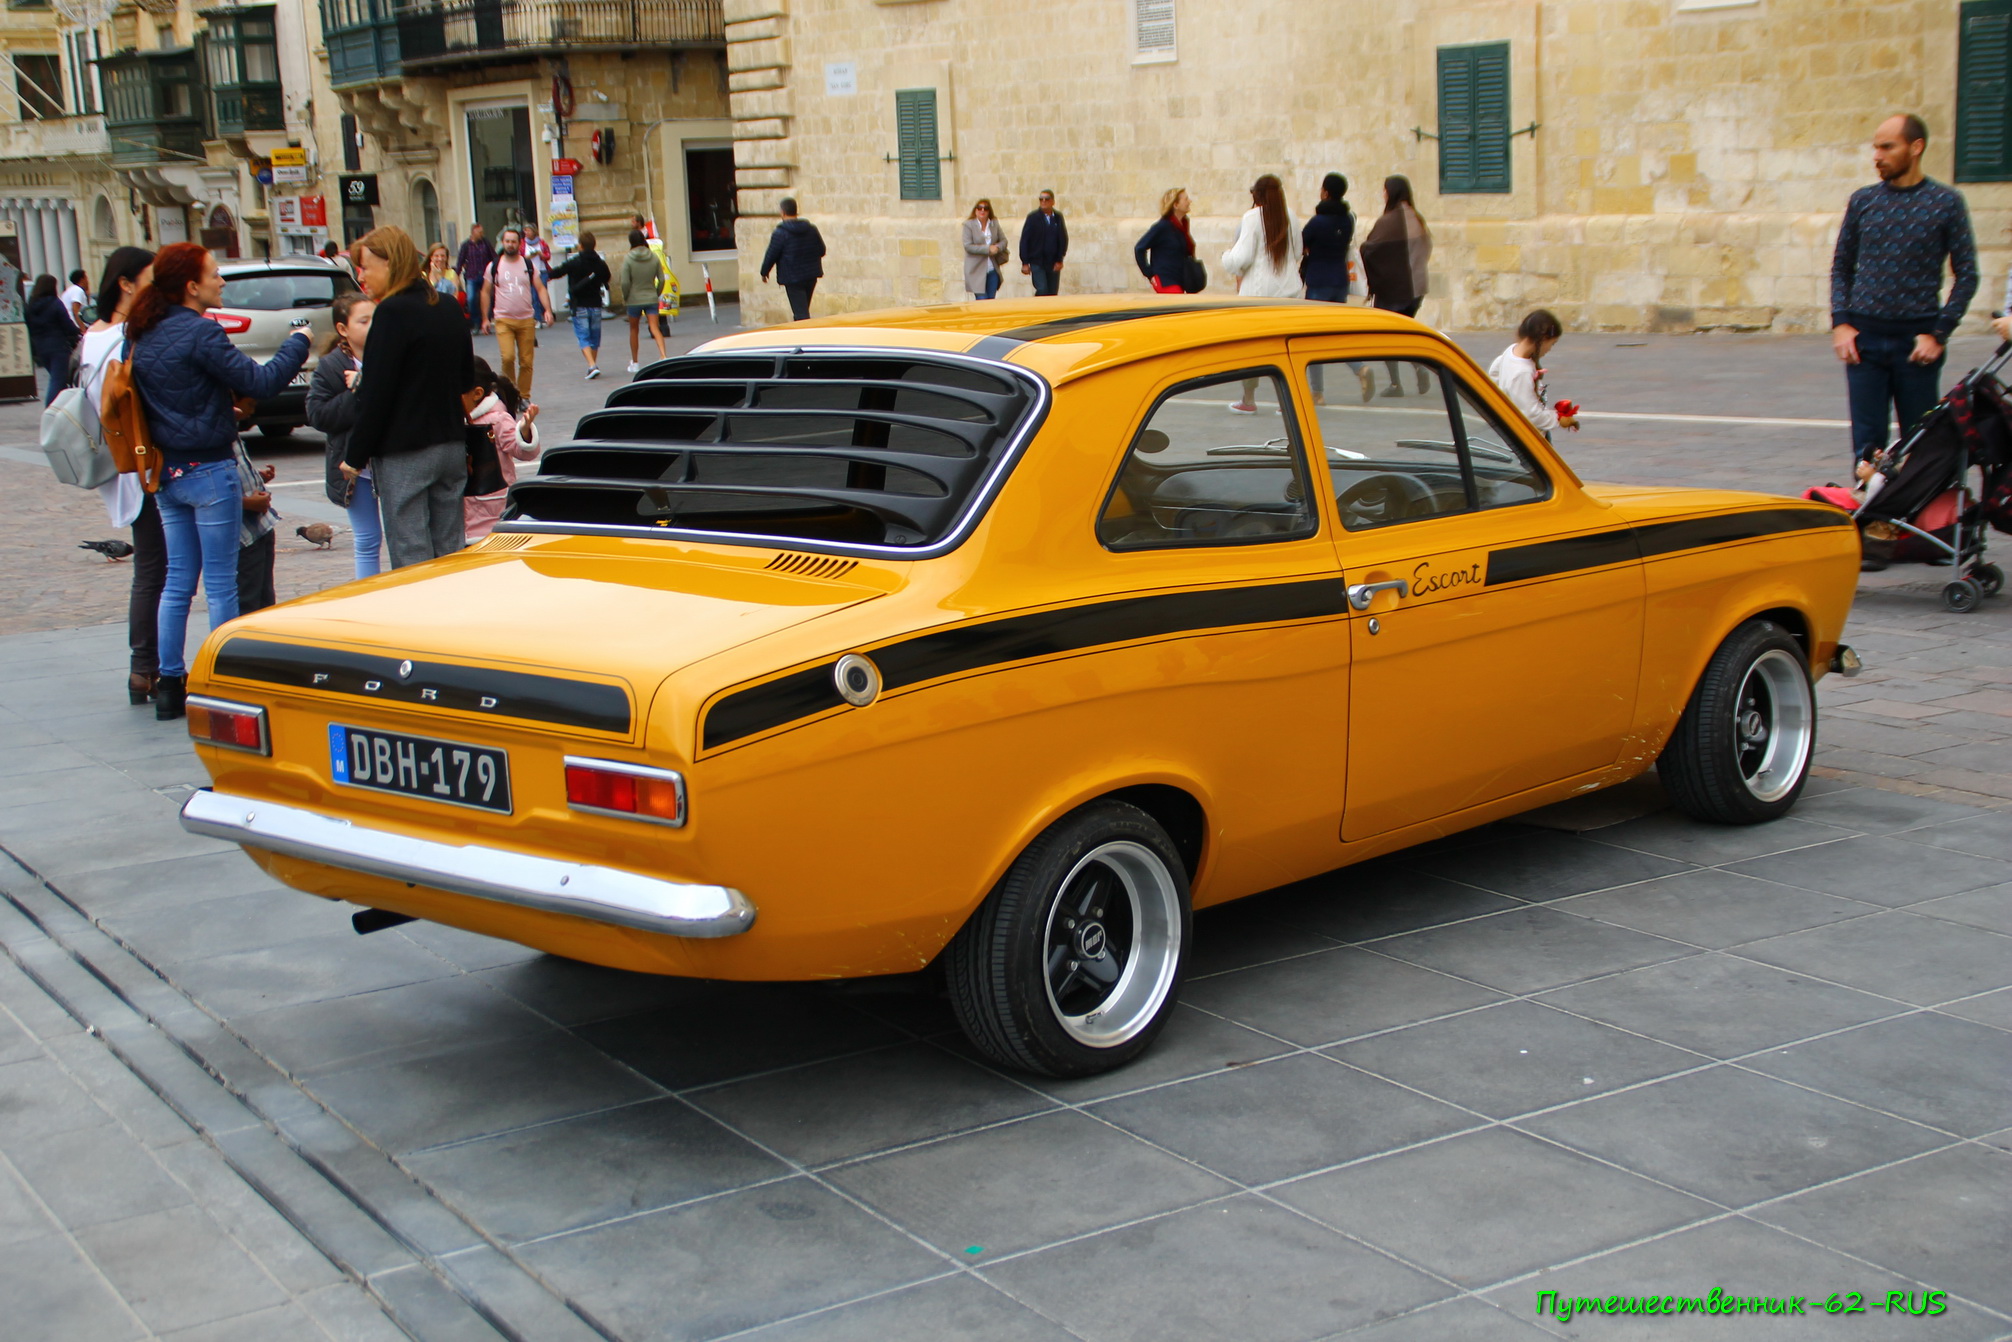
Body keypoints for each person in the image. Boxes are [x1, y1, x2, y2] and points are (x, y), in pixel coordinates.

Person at [127, 242, 310, 720]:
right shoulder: (200, 333)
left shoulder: (145, 332)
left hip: (168, 473)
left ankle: (171, 683)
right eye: (214, 274)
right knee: (223, 584)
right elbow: (263, 382)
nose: (222, 282)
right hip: (210, 470)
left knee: (177, 584)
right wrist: (299, 341)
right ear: (191, 286)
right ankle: (225, 683)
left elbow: (173, 397)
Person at [1831, 114, 1978, 465]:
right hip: (1864, 342)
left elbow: (1968, 274)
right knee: (1866, 449)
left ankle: (1916, 519)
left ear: (1916, 148)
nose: (1877, 156)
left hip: (1917, 345)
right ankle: (1870, 518)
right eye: (1875, 147)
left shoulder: (1946, 202)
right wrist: (1841, 323)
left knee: (1921, 445)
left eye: (1887, 147)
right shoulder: (1863, 201)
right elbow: (1841, 267)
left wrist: (1939, 334)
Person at [340, 225, 477, 568]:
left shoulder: (390, 313)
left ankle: (420, 621)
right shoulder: (447, 306)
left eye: (367, 266)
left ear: (391, 264)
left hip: (406, 451)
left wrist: (354, 456)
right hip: (449, 445)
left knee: (411, 556)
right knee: (450, 552)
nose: (362, 275)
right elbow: (466, 379)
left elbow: (375, 394)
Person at [80, 246, 162, 706]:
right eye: (150, 278)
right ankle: (146, 665)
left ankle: (144, 666)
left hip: (123, 462)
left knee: (153, 568)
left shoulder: (92, 337)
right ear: (127, 283)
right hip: (144, 461)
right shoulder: (129, 335)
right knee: (156, 570)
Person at [308, 291, 385, 579]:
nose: (373, 326)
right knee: (367, 539)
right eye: (364, 321)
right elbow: (318, 415)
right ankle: (368, 599)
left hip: (393, 461)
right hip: (355, 468)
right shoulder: (331, 365)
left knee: (405, 536)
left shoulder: (391, 355)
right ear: (343, 329)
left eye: (376, 319)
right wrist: (358, 393)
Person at [1220, 174, 1301, 413]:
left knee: (1251, 351)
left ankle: (1248, 399)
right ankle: (1288, 402)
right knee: (1286, 350)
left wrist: (1226, 257)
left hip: (1258, 296)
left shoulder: (1252, 218)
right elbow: (1297, 253)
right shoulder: (1291, 217)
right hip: (1289, 292)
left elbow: (1241, 258)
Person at [1360, 175, 1434, 397]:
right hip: (1416, 288)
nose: (1383, 194)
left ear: (1390, 192)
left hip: (1393, 290)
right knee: (1405, 332)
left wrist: (1379, 276)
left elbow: (1368, 250)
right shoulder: (1417, 218)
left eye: (1384, 190)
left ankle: (1395, 384)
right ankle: (1419, 366)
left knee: (1386, 336)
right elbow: (1426, 247)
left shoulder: (1388, 221)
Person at [463, 356, 542, 542]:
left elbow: (523, 451)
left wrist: (524, 431)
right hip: (464, 516)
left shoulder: (497, 418)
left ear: (477, 393)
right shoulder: (457, 420)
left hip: (492, 512)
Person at [480, 226, 554, 395]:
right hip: (503, 319)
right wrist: (485, 318)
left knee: (526, 362)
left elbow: (540, 289)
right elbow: (485, 291)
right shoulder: (494, 265)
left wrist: (547, 310)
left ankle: (524, 395)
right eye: (507, 241)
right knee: (507, 358)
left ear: (519, 243)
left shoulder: (527, 265)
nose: (510, 245)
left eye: (513, 241)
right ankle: (511, 391)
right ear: (503, 243)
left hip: (526, 319)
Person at [1301, 174, 1355, 402]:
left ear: (1325, 192)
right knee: (1338, 333)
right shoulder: (1348, 220)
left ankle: (1318, 391)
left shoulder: (1317, 222)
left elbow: (1302, 243)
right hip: (1340, 281)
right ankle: (1359, 368)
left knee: (1312, 338)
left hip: (1318, 282)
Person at [1487, 310, 1577, 441]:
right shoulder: (1522, 372)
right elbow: (1531, 414)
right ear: (1543, 339)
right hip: (1529, 439)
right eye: (1552, 344)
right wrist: (1557, 418)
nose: (1549, 349)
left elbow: (1494, 374)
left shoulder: (1511, 351)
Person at [547, 231, 612, 379]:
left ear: (580, 245)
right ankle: (592, 365)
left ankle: (591, 365)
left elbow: (558, 271)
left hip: (579, 304)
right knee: (594, 336)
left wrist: (545, 276)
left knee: (583, 336)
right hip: (595, 303)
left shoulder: (575, 261)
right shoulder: (600, 263)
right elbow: (607, 278)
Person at [760, 198, 826, 321]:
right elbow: (822, 250)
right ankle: (802, 335)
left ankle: (804, 337)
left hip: (792, 277)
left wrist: (764, 272)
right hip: (811, 275)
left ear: (782, 212)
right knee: (802, 309)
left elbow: (771, 254)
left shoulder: (780, 233)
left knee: (801, 313)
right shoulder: (811, 229)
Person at [232, 440, 278, 615]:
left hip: (259, 525)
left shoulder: (226, 426)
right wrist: (245, 502)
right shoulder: (209, 427)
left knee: (265, 598)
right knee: (247, 602)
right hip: (241, 534)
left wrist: (256, 477)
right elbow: (204, 488)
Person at [611, 229, 667, 372]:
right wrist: (656, 293)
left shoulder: (628, 258)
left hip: (634, 299)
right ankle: (663, 355)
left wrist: (626, 295)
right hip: (651, 297)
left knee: (634, 330)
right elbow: (661, 279)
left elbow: (624, 282)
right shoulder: (654, 257)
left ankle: (635, 362)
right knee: (655, 327)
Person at [26, 274, 77, 405]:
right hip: (58, 345)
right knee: (58, 380)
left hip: (40, 347)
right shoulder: (54, 303)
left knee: (57, 378)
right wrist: (77, 332)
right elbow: (67, 324)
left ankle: (63, 407)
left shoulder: (31, 305)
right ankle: (50, 410)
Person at [1134, 188, 1195, 295]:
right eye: (1186, 199)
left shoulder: (1183, 225)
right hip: (1166, 281)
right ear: (1175, 205)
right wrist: (1150, 274)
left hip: (1180, 280)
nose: (1189, 201)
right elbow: (1139, 248)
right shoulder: (1162, 226)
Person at [1018, 190, 1068, 296]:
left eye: (1047, 199)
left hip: (1053, 262)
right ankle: (1037, 311)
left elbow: (1063, 238)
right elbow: (1025, 240)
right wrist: (1025, 262)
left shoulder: (1058, 217)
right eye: (1041, 199)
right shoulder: (1033, 218)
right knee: (1042, 289)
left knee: (1052, 292)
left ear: (1053, 201)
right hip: (1037, 262)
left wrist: (1060, 260)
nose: (1043, 201)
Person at [961, 200, 1008, 300]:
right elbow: (968, 246)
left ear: (989, 211)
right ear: (975, 210)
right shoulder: (969, 225)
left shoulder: (994, 224)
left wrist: (998, 247)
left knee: (991, 300)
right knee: (982, 300)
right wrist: (987, 249)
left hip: (992, 269)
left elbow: (1004, 241)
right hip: (976, 270)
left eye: (985, 208)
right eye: (979, 208)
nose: (982, 210)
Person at [454, 223, 495, 332]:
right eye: (479, 232)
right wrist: (456, 276)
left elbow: (493, 257)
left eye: (482, 232)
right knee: (471, 298)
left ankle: (486, 321)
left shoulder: (486, 243)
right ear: (473, 233)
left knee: (487, 298)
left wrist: (496, 271)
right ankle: (476, 322)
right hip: (471, 275)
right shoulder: (466, 245)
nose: (482, 234)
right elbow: (460, 261)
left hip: (485, 276)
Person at [522, 220, 553, 322]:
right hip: (529, 272)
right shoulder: (522, 244)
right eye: (525, 230)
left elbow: (548, 256)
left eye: (528, 230)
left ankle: (547, 314)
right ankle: (537, 318)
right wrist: (528, 257)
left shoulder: (541, 243)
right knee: (534, 295)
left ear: (534, 231)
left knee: (542, 293)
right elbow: (519, 257)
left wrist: (541, 255)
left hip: (542, 271)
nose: (526, 232)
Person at [425, 243, 460, 312]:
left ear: (446, 258)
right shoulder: (424, 275)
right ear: (431, 257)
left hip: (447, 310)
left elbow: (454, 296)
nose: (440, 259)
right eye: (436, 256)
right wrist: (434, 273)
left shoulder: (451, 273)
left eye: (443, 256)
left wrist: (439, 276)